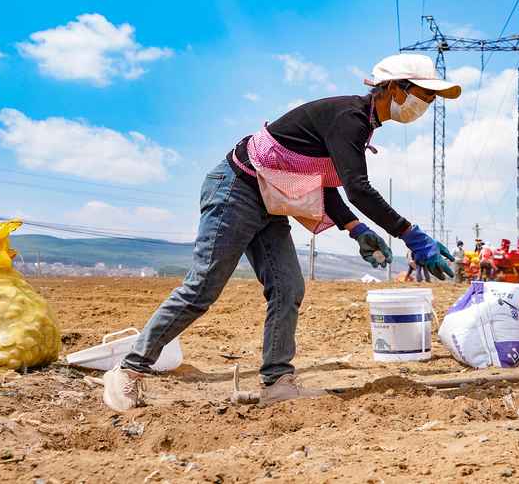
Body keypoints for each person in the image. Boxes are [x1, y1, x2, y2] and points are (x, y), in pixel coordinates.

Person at [102, 54, 461, 411]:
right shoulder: (349, 118)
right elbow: (358, 189)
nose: (426, 104)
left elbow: (319, 179)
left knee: (288, 286)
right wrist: (411, 235)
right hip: (236, 189)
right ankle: (129, 368)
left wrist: (355, 228)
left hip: (270, 198)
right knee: (203, 287)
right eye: (425, 95)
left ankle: (276, 381)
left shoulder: (361, 123)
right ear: (395, 88)